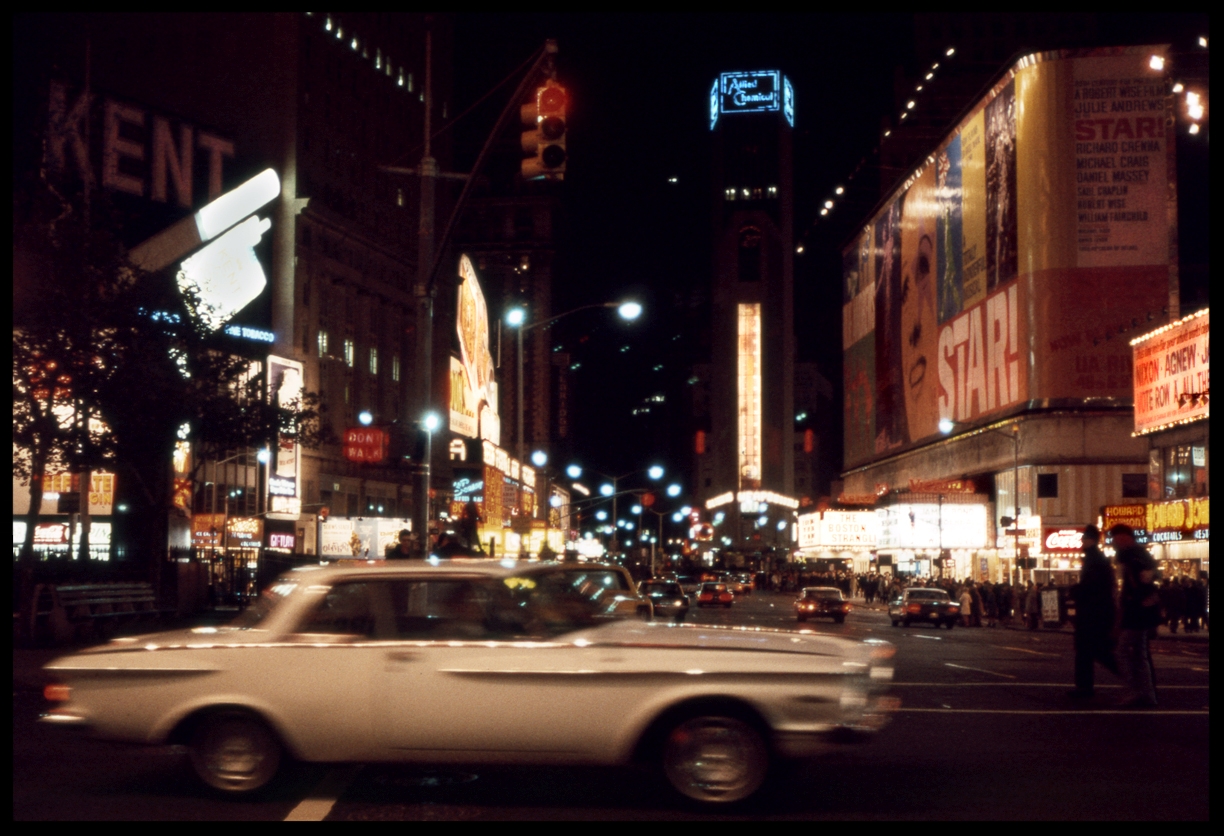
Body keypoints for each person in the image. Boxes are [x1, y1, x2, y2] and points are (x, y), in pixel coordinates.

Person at [1110, 524, 1160, 707]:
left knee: (1123, 651)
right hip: (1140, 611)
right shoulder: (1139, 555)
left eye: (1115, 538)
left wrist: (1127, 606)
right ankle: (1146, 694)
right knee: (1139, 654)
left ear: (1123, 537)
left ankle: (1137, 691)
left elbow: (1141, 584)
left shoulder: (1133, 557)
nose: (1114, 542)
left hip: (1137, 612)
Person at [1067, 525, 1119, 699]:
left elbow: (1092, 587)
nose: (1081, 541)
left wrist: (1075, 591)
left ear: (1091, 540)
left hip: (1093, 613)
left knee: (1092, 651)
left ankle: (1085, 688)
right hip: (1096, 612)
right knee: (1092, 651)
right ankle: (1084, 687)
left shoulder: (1094, 560)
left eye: (1084, 538)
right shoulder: (1096, 559)